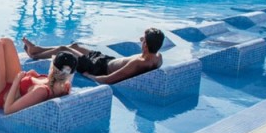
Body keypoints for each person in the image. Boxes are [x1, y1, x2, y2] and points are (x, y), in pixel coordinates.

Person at [0, 37, 74, 115]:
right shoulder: (65, 85)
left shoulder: (41, 91)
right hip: (13, 86)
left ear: (53, 67)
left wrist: (17, 81)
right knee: (7, 42)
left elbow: (8, 110)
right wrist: (35, 77)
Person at [21, 27, 165, 85]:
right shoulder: (157, 58)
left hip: (97, 68)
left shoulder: (139, 62)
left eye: (143, 39)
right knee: (75, 46)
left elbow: (109, 79)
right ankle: (37, 49)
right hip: (105, 60)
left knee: (65, 49)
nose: (140, 40)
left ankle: (35, 55)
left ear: (146, 45)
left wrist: (89, 76)